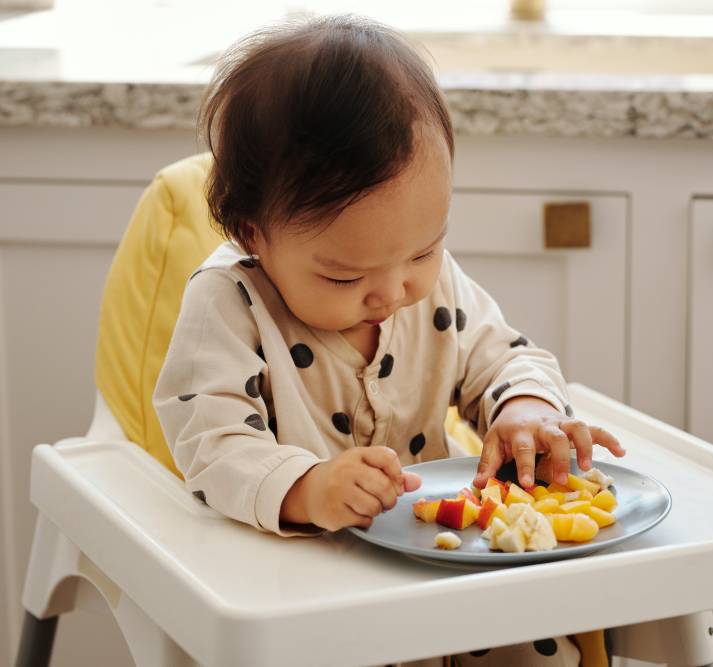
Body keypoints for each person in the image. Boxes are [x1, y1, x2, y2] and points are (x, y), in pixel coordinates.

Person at [153, 14, 625, 666]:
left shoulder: (429, 284)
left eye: (424, 250)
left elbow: (499, 354)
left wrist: (526, 408)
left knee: (540, 644)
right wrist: (307, 488)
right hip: (312, 589)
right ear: (251, 233)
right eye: (345, 274)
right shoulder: (228, 303)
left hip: (448, 563)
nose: (393, 291)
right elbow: (210, 441)